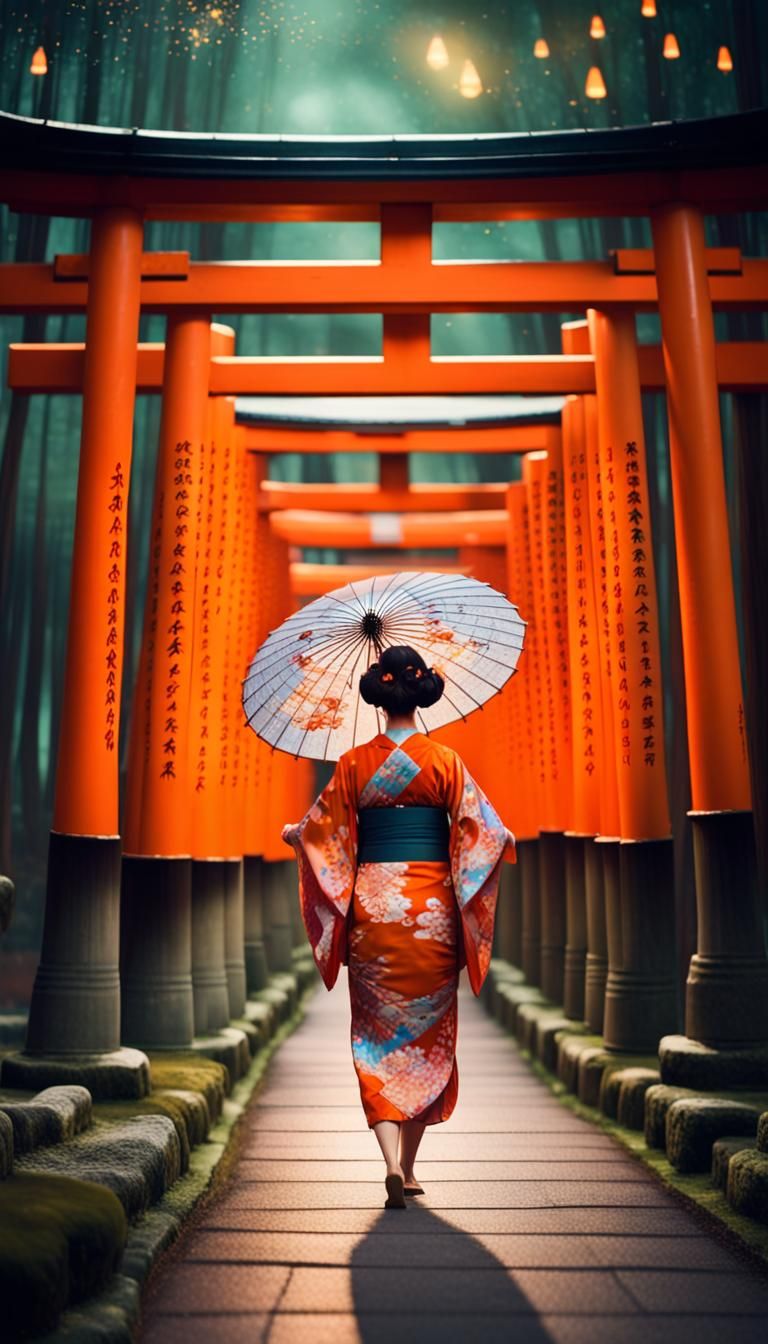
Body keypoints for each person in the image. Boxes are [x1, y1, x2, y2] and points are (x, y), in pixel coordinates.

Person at [282, 644, 515, 1210]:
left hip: (373, 916)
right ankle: (408, 1169)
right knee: (427, 1039)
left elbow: (322, 833)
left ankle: (388, 1163)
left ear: (380, 696)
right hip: (430, 913)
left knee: (378, 1040)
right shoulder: (445, 762)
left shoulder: (355, 764)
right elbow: (486, 832)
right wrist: (500, 843)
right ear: (423, 693)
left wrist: (297, 835)